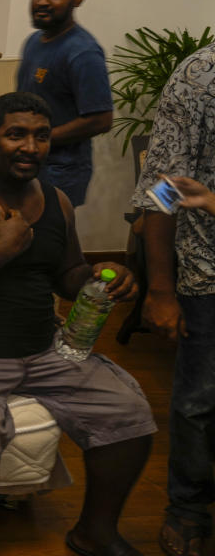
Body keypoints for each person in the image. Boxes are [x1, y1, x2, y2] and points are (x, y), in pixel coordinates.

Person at [0, 92, 155, 556]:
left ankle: (94, 531)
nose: (31, 147)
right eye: (16, 134)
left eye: (41, 136)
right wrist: (1, 248)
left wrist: (108, 277)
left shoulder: (57, 201)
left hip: (44, 348)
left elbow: (68, 275)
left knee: (130, 411)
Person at [133, 43, 215, 556]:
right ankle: (187, 507)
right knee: (198, 401)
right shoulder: (199, 76)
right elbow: (162, 188)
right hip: (209, 275)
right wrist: (161, 288)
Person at [16, 0, 113, 207]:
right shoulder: (33, 43)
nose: (42, 1)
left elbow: (101, 120)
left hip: (62, 171)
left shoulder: (83, 52)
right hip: (28, 163)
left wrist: (40, 138)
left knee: (51, 240)